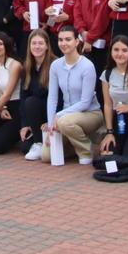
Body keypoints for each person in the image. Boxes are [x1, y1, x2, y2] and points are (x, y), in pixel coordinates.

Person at [45, 25, 103, 165]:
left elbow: (85, 102)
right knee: (46, 156)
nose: (63, 43)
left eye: (68, 39)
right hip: (66, 117)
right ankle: (73, 147)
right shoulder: (56, 65)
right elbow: (52, 97)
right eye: (60, 40)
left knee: (65, 122)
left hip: (90, 113)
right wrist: (50, 124)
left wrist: (58, 116)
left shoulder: (87, 66)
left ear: (77, 41)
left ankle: (85, 151)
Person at [19, 28, 54, 160]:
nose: (37, 46)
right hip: (34, 114)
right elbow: (23, 97)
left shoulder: (54, 64)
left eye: (40, 43)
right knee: (24, 148)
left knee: (31, 101)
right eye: (34, 43)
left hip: (51, 113)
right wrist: (24, 124)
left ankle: (39, 143)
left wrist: (51, 120)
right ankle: (36, 139)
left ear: (47, 46)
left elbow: (59, 97)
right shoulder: (27, 67)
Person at [75, 0, 113, 74]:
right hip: (84, 38)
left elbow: (102, 17)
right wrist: (82, 30)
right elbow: (77, 12)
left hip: (101, 43)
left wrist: (90, 38)